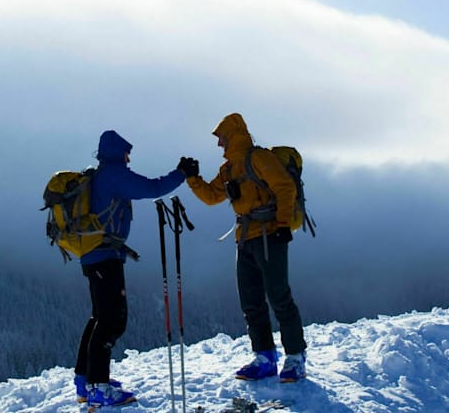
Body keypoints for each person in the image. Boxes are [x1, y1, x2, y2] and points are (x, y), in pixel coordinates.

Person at [181, 113, 308, 383]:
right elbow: (212, 196)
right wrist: (192, 178)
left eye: (221, 138)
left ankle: (295, 357)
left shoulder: (258, 159)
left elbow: (285, 187)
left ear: (233, 135)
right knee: (251, 301)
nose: (219, 144)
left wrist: (284, 224)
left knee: (278, 297)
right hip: (246, 237)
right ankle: (265, 356)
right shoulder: (229, 169)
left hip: (270, 234)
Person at [74, 130, 195, 407]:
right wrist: (181, 173)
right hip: (105, 255)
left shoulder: (102, 174)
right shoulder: (114, 174)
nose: (129, 158)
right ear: (119, 152)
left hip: (96, 254)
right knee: (112, 320)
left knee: (99, 317)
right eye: (127, 152)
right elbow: (152, 188)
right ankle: (98, 387)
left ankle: (87, 379)